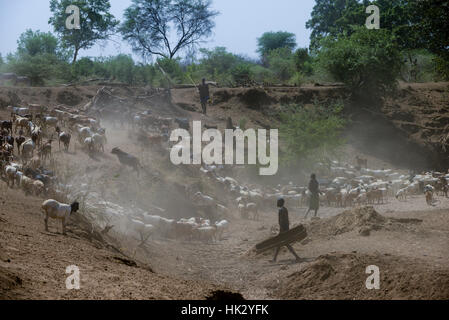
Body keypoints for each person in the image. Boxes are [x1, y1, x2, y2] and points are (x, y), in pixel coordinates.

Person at [271, 198, 301, 263]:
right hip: (286, 228)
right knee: (281, 243)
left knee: (284, 243)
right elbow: (286, 220)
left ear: (280, 203)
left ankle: (297, 257)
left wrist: (281, 230)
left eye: (278, 202)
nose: (277, 203)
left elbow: (282, 220)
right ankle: (274, 259)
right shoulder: (285, 209)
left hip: (283, 229)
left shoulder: (281, 210)